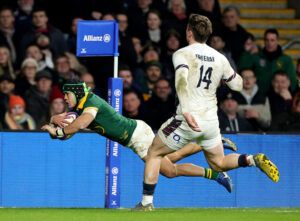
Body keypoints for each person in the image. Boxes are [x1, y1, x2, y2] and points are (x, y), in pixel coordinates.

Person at [134, 14, 279, 211]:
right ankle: (253, 159)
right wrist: (222, 76)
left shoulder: (182, 53)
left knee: (154, 152)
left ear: (189, 32)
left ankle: (146, 203)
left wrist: (185, 110)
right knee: (218, 164)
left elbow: (181, 80)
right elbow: (238, 85)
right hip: (211, 122)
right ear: (209, 34)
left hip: (188, 118)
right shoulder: (220, 58)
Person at [41, 80, 237, 196]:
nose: (65, 98)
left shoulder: (91, 103)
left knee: (170, 171)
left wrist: (59, 130)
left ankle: (217, 174)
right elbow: (70, 133)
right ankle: (211, 145)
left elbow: (81, 125)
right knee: (172, 159)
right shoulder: (79, 108)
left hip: (136, 136)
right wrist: (54, 126)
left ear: (75, 92)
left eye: (66, 94)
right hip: (137, 133)